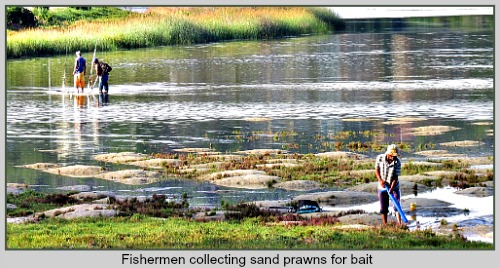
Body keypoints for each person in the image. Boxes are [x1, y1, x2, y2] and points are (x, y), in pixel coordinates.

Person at [375, 144, 402, 225]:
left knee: (397, 205)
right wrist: (380, 180)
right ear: (388, 154)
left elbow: (395, 177)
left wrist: (392, 188)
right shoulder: (380, 158)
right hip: (382, 186)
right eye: (392, 156)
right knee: (383, 207)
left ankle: (400, 224)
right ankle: (385, 224)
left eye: (395, 156)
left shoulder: (397, 162)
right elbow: (376, 170)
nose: (393, 157)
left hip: (394, 186)